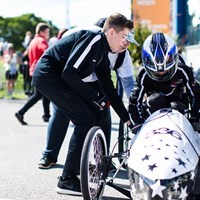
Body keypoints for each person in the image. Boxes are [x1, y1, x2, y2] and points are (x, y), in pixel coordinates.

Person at [32, 13, 134, 195]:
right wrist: (96, 97)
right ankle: (66, 179)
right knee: (85, 120)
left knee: (94, 116)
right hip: (49, 76)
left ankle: (80, 170)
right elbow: (69, 73)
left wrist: (127, 117)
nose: (126, 42)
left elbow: (109, 88)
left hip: (61, 79)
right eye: (124, 36)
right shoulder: (93, 38)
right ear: (112, 32)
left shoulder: (103, 50)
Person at [129, 32, 200, 132]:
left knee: (175, 106)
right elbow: (134, 102)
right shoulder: (143, 74)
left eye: (165, 71)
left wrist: (194, 118)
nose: (161, 74)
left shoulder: (183, 71)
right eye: (156, 72)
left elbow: (196, 95)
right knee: (156, 100)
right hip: (154, 107)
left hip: (177, 106)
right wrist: (139, 125)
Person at [15, 23, 51, 125]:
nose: (48, 34)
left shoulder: (33, 41)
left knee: (45, 94)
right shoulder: (41, 41)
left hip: (34, 70)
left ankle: (47, 116)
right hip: (41, 70)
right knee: (38, 94)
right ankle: (20, 112)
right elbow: (48, 52)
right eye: (47, 32)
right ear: (42, 32)